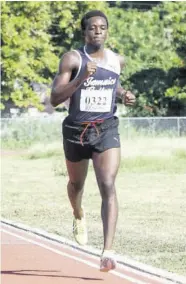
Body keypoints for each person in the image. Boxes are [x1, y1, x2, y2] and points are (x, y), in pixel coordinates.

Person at [50, 10, 136, 272]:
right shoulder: (73, 59)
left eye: (102, 27)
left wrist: (123, 94)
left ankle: (108, 251)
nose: (98, 31)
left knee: (107, 183)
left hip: (106, 128)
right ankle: (78, 214)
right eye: (92, 28)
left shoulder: (116, 60)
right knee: (76, 184)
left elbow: (112, 84)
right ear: (84, 32)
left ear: (107, 31)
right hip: (76, 130)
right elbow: (54, 99)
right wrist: (80, 78)